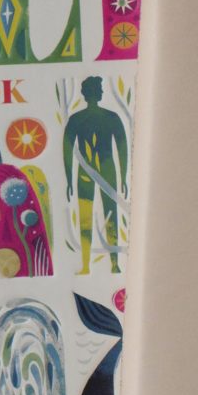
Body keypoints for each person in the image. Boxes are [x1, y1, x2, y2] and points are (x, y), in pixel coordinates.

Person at [62, 76, 128, 273]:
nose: (101, 92)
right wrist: (123, 176)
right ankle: (112, 264)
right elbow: (122, 149)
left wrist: (69, 179)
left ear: (84, 94)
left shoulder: (76, 119)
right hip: (106, 172)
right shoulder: (111, 117)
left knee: (86, 218)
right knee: (110, 215)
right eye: (99, 89)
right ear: (97, 93)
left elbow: (67, 151)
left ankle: (88, 266)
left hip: (86, 174)